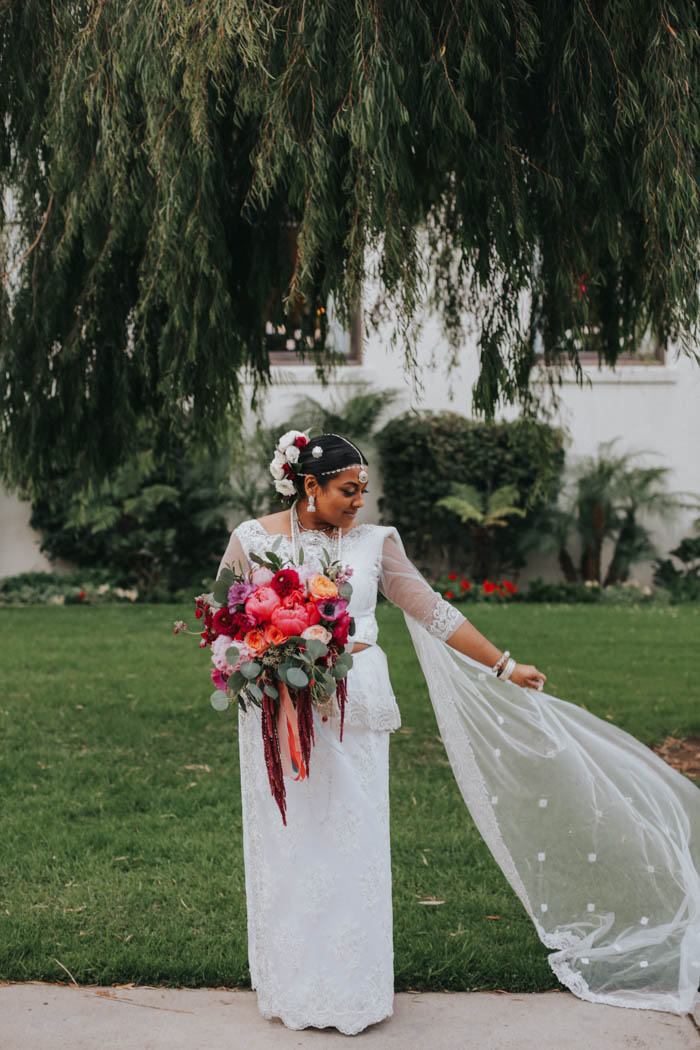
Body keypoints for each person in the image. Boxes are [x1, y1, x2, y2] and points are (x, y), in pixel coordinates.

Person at [217, 428, 700, 1035]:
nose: (359, 501)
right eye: (347, 490)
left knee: (351, 838)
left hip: (355, 709)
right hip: (276, 710)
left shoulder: (374, 543)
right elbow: (224, 622)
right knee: (288, 843)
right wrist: (261, 661)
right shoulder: (252, 539)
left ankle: (350, 990)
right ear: (309, 485)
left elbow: (431, 607)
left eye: (364, 490)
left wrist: (503, 664)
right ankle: (292, 984)